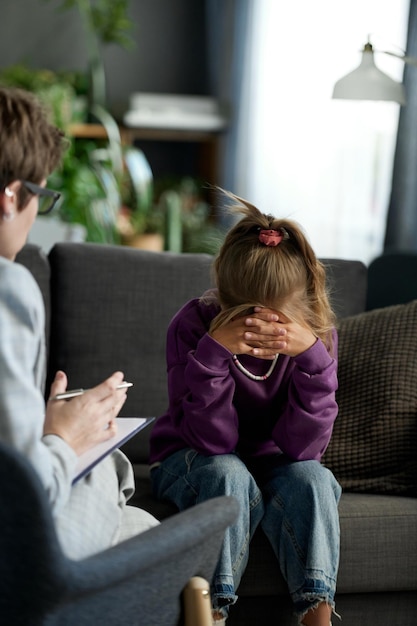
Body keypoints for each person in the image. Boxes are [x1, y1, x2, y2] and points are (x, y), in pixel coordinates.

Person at [150, 192, 341, 626]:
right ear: (223, 300)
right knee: (227, 473)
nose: (265, 331)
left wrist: (312, 359)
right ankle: (212, 613)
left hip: (277, 462)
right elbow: (212, 441)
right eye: (250, 317)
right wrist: (213, 353)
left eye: (279, 320)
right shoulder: (193, 325)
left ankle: (317, 613)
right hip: (193, 456)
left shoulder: (317, 336)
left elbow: (304, 450)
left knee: (314, 480)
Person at [0, 86, 158, 560]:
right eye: (41, 196)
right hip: (19, 549)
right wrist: (65, 437)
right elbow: (22, 499)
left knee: (142, 524)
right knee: (108, 463)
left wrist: (37, 422)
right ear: (11, 196)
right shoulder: (8, 286)